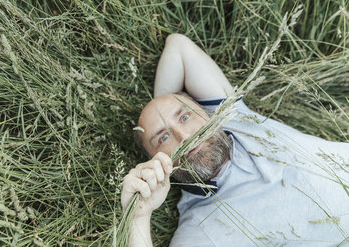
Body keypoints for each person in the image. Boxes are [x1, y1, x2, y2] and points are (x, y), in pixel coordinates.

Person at [121, 34, 349, 247]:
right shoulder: (200, 229)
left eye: (184, 116)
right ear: (157, 161)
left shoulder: (236, 118)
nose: (184, 136)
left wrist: (160, 104)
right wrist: (138, 218)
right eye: (163, 137)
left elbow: (178, 45)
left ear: (208, 113)